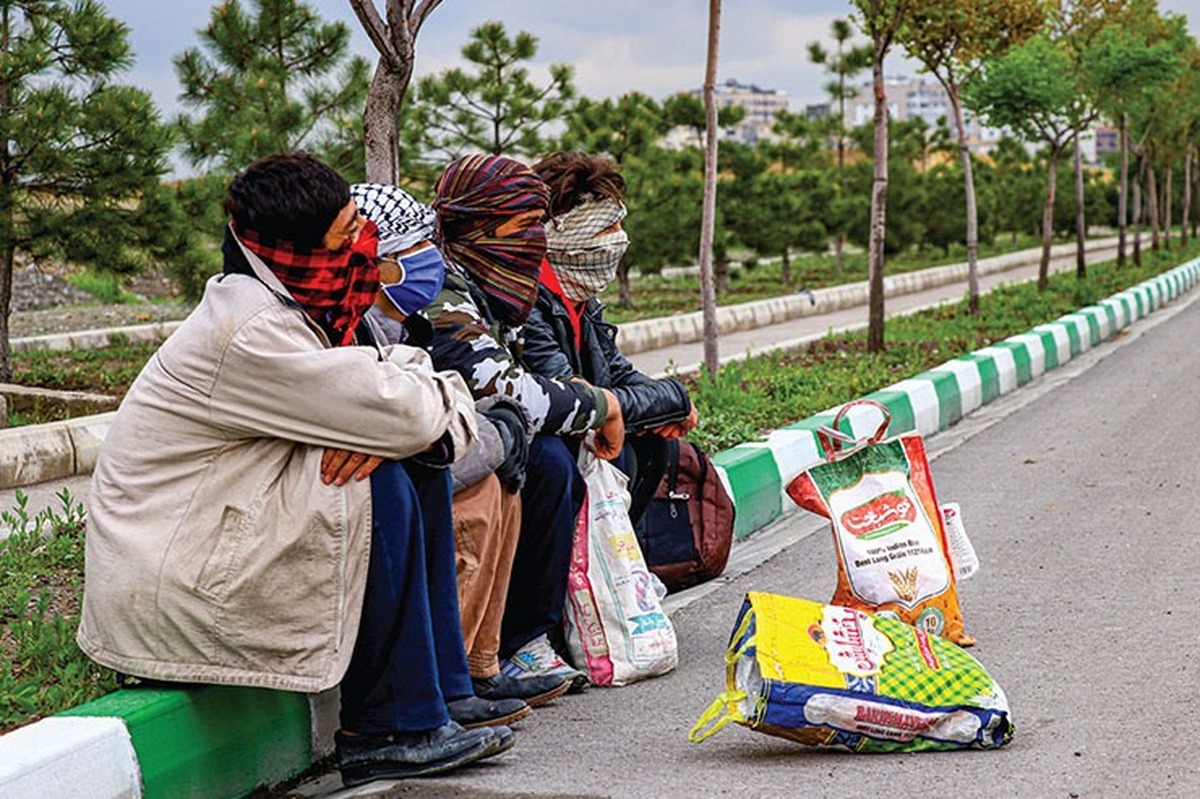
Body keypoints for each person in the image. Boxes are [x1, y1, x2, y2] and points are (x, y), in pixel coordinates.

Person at [77, 153, 520, 788]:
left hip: (215, 539)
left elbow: (406, 387)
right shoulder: (251, 329)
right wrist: (406, 416)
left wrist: (407, 413)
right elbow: (411, 408)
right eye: (346, 235)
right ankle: (389, 727)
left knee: (409, 464)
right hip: (177, 577)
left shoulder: (289, 304)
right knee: (380, 477)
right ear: (296, 246)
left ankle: (441, 697)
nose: (364, 245)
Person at [351, 182, 570, 708]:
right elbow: (426, 427)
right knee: (489, 482)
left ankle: (476, 667)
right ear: (376, 265)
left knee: (510, 474)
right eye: (412, 252)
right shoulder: (360, 328)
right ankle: (443, 689)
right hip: (366, 488)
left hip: (430, 453)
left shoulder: (407, 322)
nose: (431, 262)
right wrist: (502, 429)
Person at [425, 154, 625, 690]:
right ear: (482, 227)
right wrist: (604, 405)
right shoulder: (441, 288)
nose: (535, 240)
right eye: (524, 226)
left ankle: (525, 640)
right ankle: (510, 647)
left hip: (474, 434)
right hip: (442, 445)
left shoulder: (496, 284)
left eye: (541, 224)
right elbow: (508, 387)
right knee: (544, 460)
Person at [524, 151, 697, 527]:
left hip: (589, 425)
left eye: (618, 226)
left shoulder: (582, 301)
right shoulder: (530, 301)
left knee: (656, 443)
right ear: (564, 232)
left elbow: (616, 373)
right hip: (550, 434)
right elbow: (574, 395)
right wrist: (672, 400)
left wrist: (673, 402)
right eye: (604, 229)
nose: (619, 240)